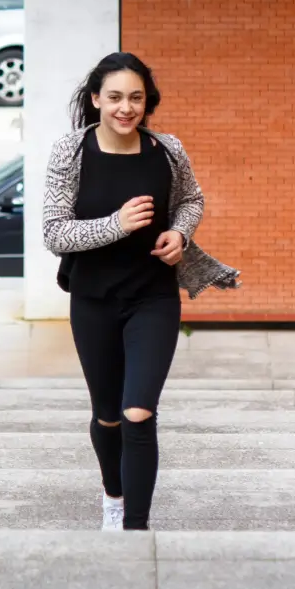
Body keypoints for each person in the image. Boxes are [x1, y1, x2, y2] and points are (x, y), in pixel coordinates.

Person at [42, 52, 240, 531]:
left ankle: (135, 527)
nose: (126, 108)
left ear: (147, 101)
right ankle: (113, 495)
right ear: (96, 100)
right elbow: (54, 233)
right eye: (114, 97)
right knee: (108, 415)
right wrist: (116, 224)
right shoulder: (70, 152)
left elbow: (191, 200)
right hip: (92, 302)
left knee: (138, 412)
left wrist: (181, 235)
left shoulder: (166, 150)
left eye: (136, 97)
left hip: (153, 298)